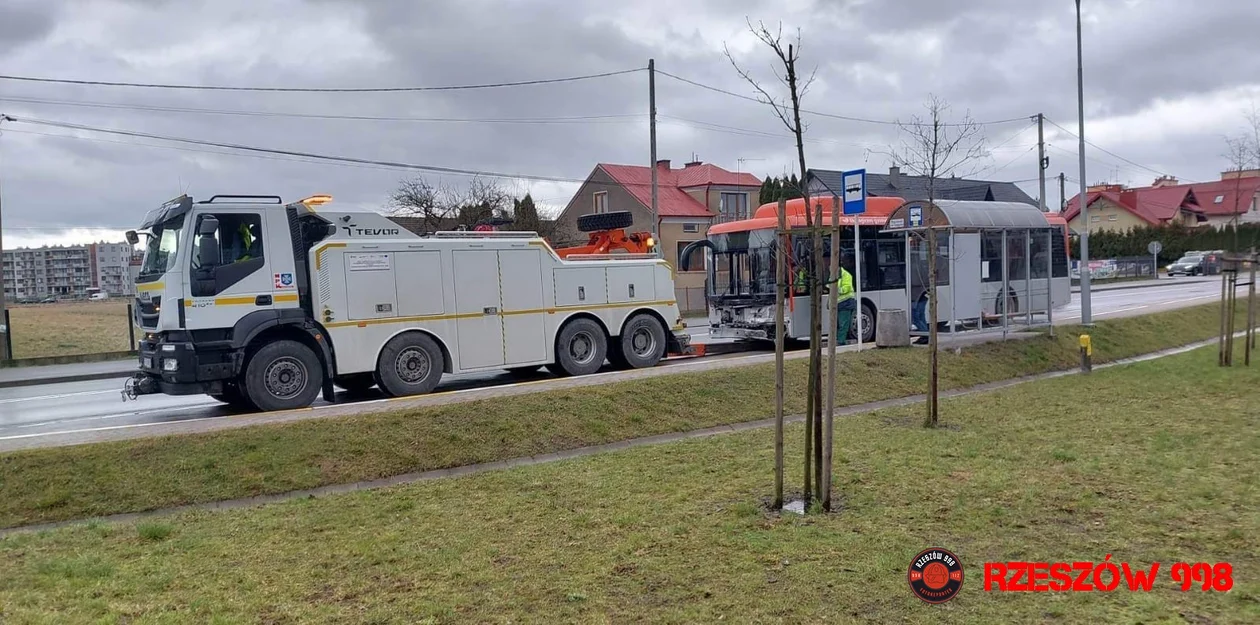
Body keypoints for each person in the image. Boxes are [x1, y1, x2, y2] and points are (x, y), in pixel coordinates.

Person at [833, 253, 857, 344]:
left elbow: (846, 288)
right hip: (840, 303)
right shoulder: (836, 274)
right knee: (840, 323)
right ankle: (840, 340)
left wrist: (836, 290)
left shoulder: (846, 275)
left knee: (843, 324)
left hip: (846, 303)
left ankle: (841, 341)